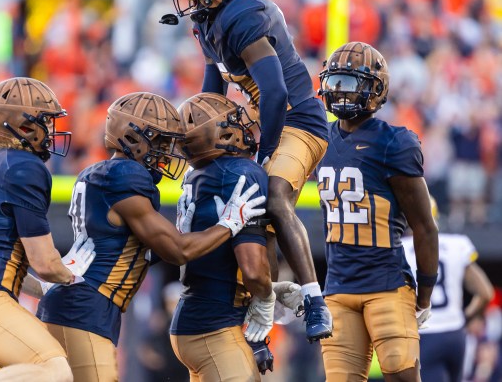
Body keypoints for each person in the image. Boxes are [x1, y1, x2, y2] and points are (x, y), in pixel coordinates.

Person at [35, 91, 267, 382]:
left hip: (80, 303)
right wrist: (230, 222)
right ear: (132, 139)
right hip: (86, 306)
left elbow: (139, 248)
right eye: (158, 141)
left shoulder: (96, 173)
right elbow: (178, 251)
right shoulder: (126, 176)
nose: (166, 151)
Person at [168, 0, 332, 342]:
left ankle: (315, 300)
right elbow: (211, 94)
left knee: (272, 197)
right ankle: (258, 329)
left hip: (298, 120)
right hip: (267, 118)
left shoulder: (243, 15)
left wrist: (264, 153)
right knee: (248, 218)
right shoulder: (208, 20)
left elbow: (276, 92)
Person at [0, 77, 97, 382]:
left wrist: (46, 287)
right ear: (23, 127)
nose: (50, 131)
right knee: (54, 370)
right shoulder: (24, 166)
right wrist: (75, 278)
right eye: (44, 122)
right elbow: (44, 262)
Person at [316, 41, 439, 381]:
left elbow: (424, 226)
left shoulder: (393, 142)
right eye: (335, 82)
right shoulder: (319, 138)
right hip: (338, 287)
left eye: (351, 83)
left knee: (401, 375)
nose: (341, 93)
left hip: (385, 283)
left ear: (376, 88)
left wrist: (425, 294)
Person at [169, 92, 304, 381]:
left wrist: (272, 288)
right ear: (222, 134)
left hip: (193, 319)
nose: (243, 126)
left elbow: (220, 262)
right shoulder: (242, 172)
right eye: (233, 121)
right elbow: (253, 270)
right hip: (215, 328)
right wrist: (266, 297)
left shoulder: (197, 175)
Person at [402, 196, 494, 382]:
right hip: (455, 334)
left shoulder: (401, 248)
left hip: (425, 334)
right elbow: (485, 293)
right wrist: (466, 318)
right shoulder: (457, 244)